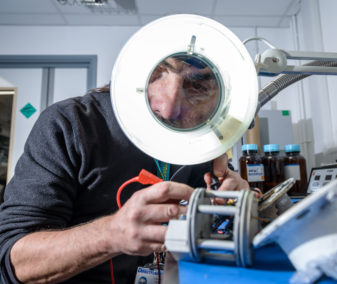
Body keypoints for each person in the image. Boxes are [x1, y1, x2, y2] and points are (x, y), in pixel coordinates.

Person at [0, 53, 250, 283]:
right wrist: (110, 235)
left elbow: (210, 225)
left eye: (196, 85)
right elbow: (13, 260)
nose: (169, 108)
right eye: (156, 72)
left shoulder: (202, 140)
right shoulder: (69, 123)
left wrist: (229, 202)